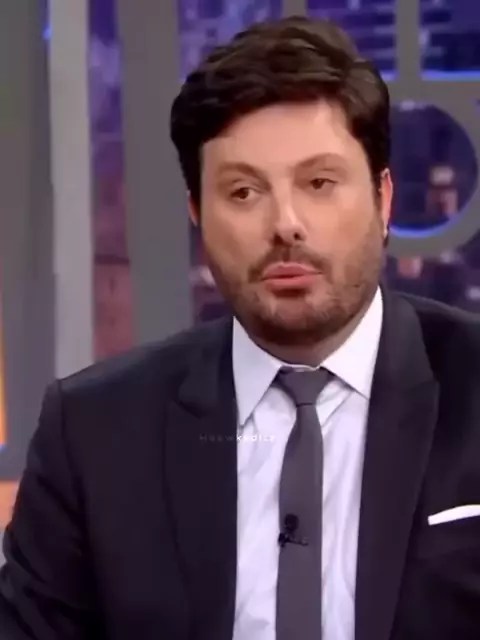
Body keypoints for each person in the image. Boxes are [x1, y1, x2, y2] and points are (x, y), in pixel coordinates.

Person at [1, 15, 480, 640]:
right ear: (197, 214)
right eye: (244, 192)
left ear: (383, 198)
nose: (286, 224)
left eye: (319, 182)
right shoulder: (93, 434)